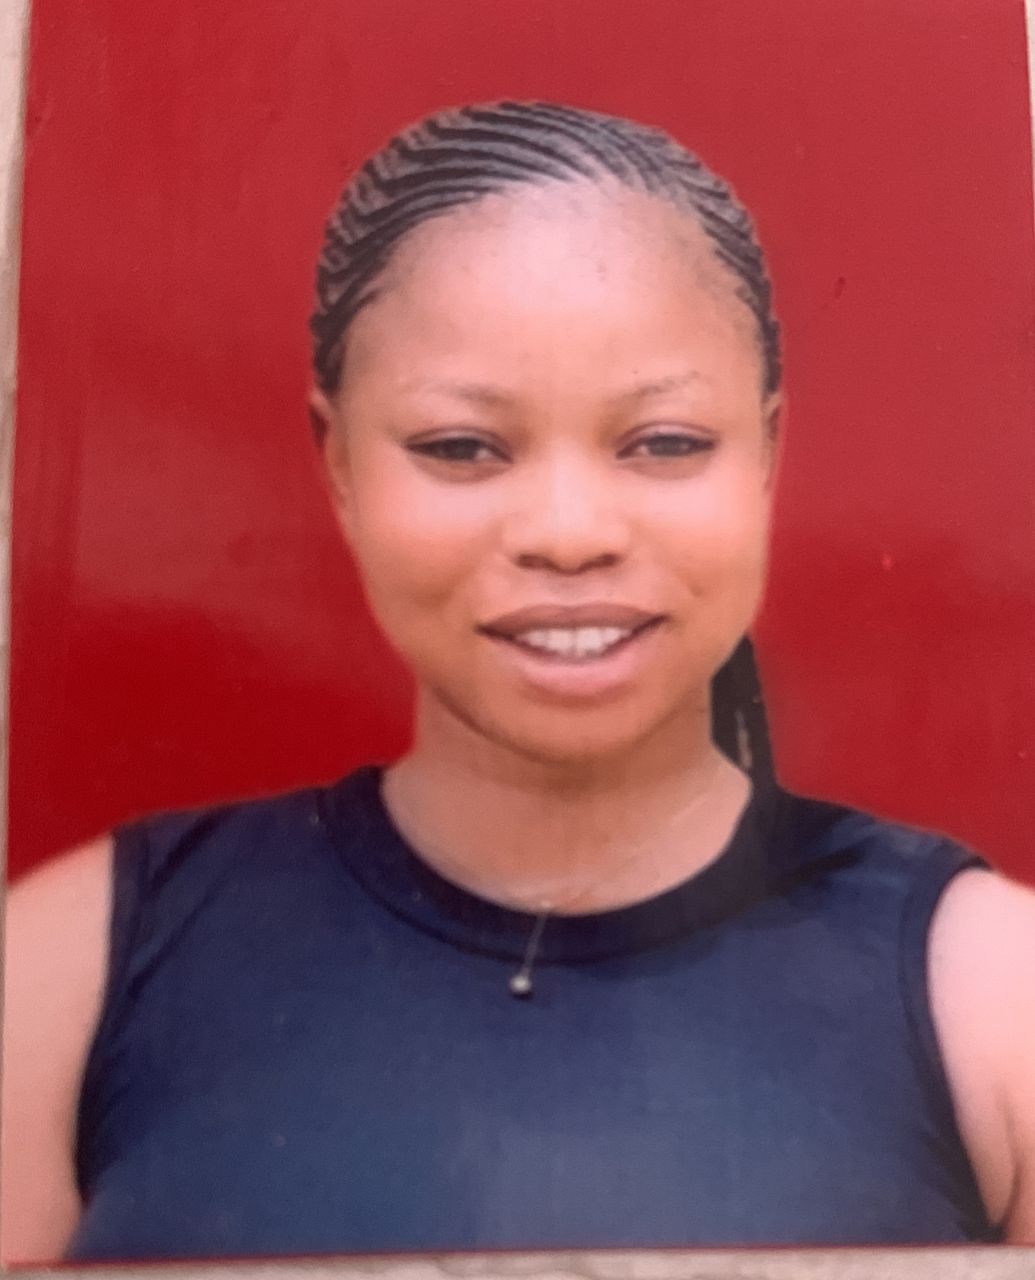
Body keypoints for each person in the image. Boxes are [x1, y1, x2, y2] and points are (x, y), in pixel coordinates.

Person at [2, 100, 1034, 1263]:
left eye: (664, 442)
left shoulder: (993, 995)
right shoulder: (69, 974)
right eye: (461, 447)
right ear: (337, 463)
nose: (569, 532)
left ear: (767, 452)